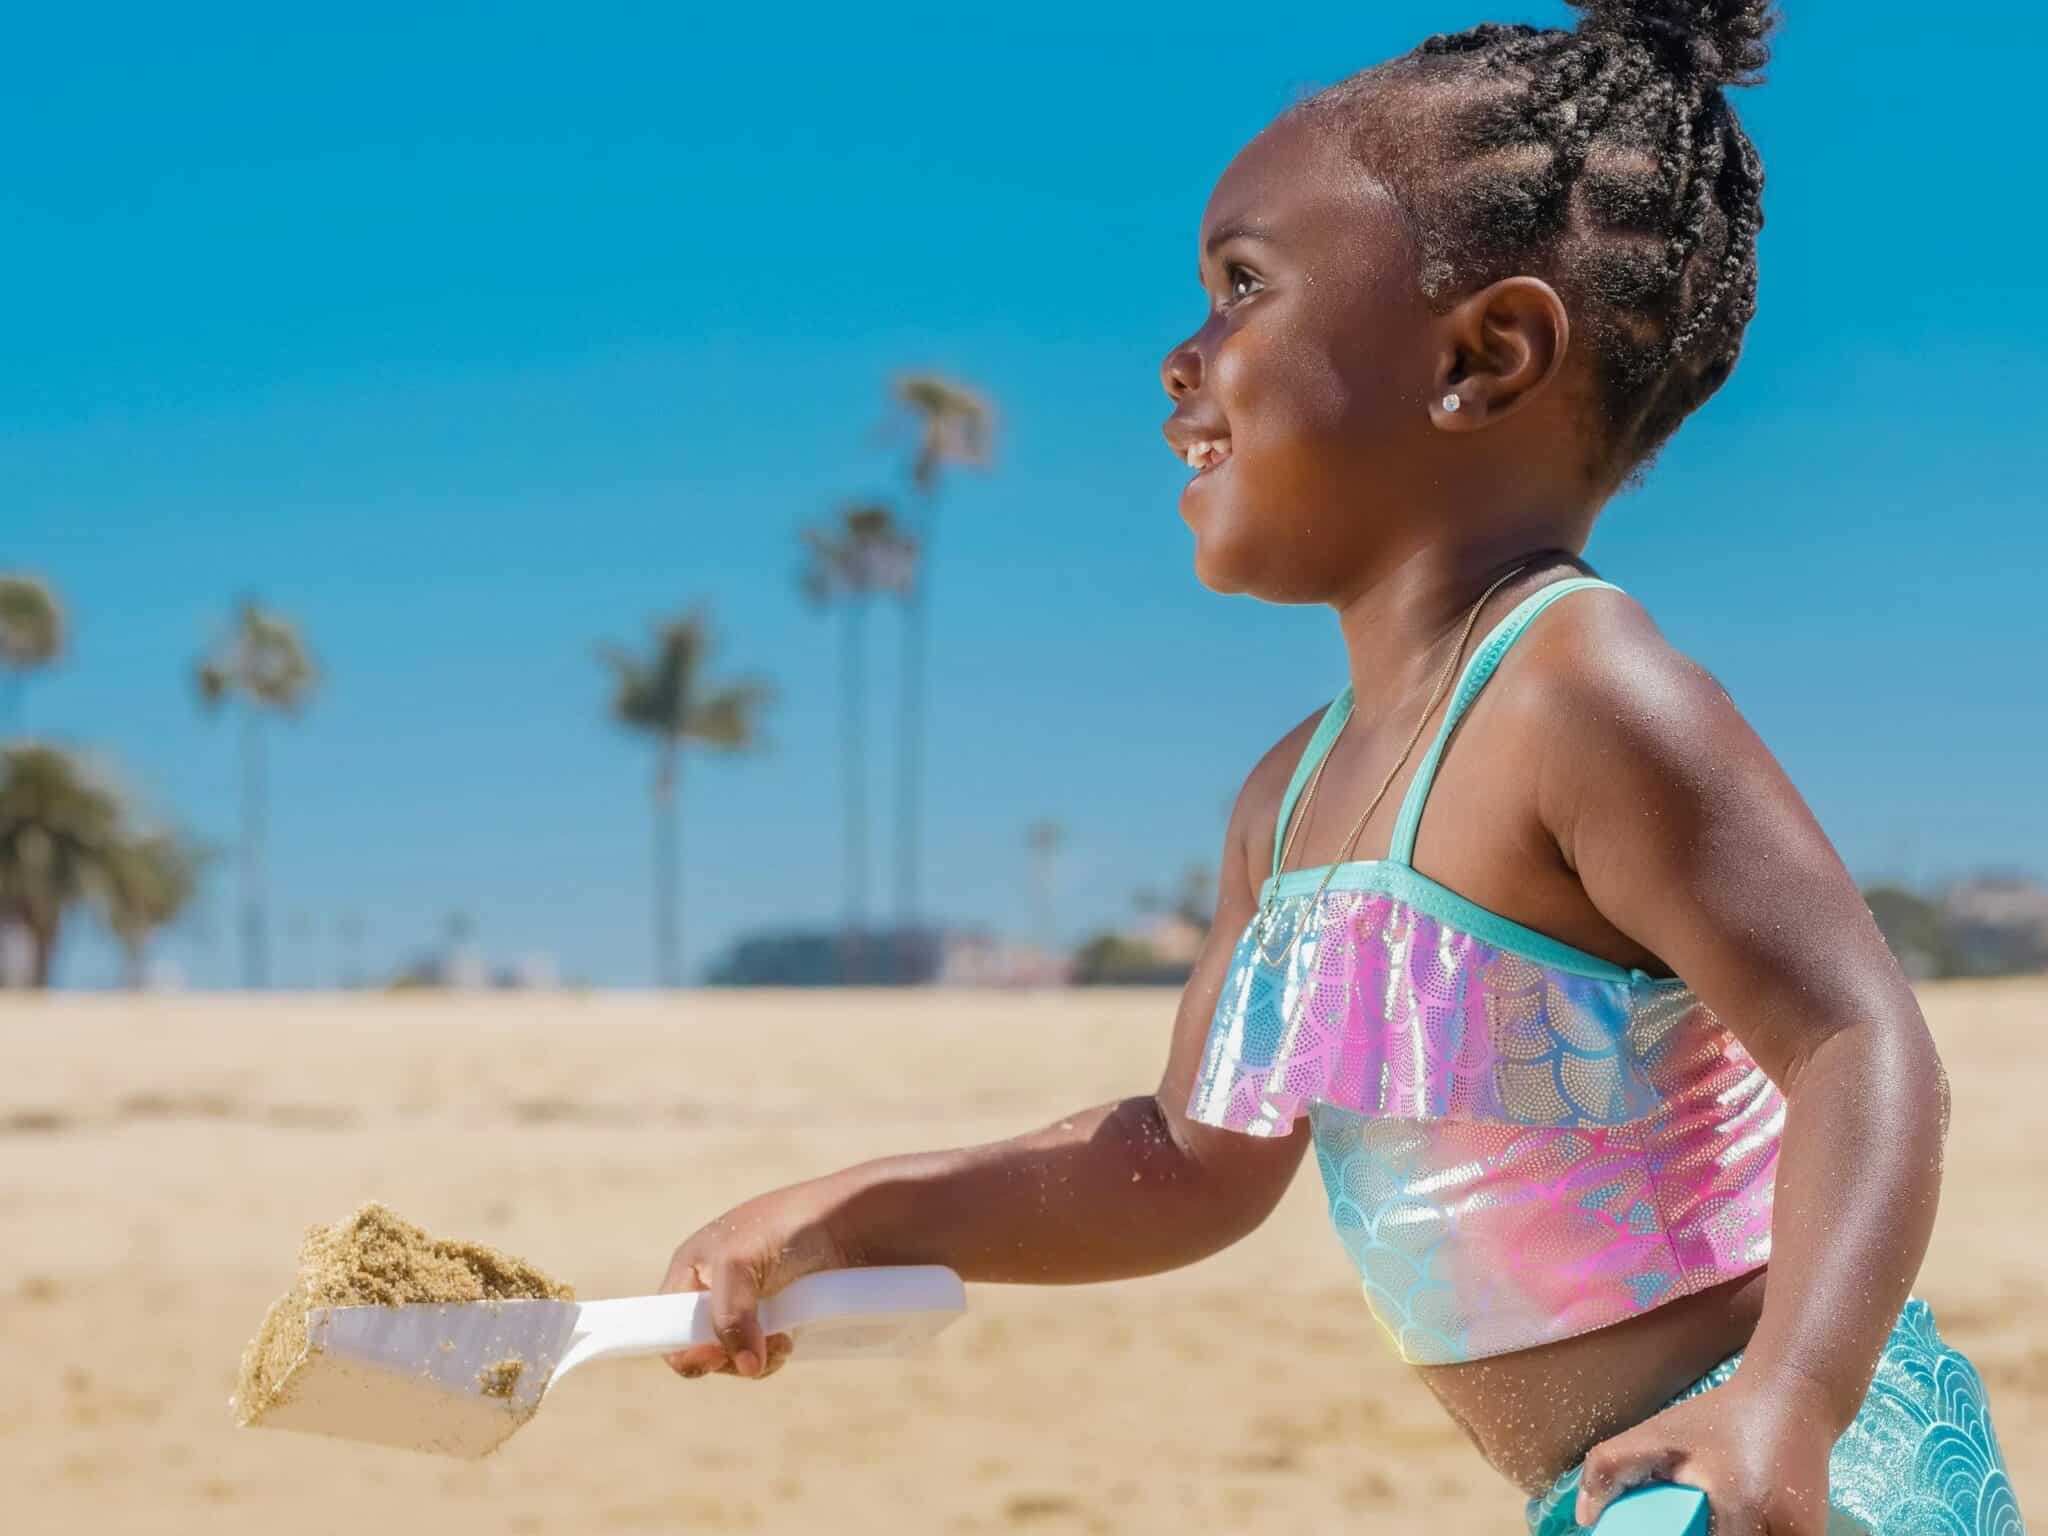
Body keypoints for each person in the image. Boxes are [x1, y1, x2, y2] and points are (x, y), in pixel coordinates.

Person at [658, 5, 2021, 1530]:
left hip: (1788, 1476)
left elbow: (1857, 1042)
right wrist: (860, 1214)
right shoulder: (1287, 805)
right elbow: (1187, 1162)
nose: (1181, 356)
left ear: (1484, 356)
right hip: (1613, 1497)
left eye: (1243, 288)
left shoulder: (1582, 697)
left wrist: (1792, 1396)